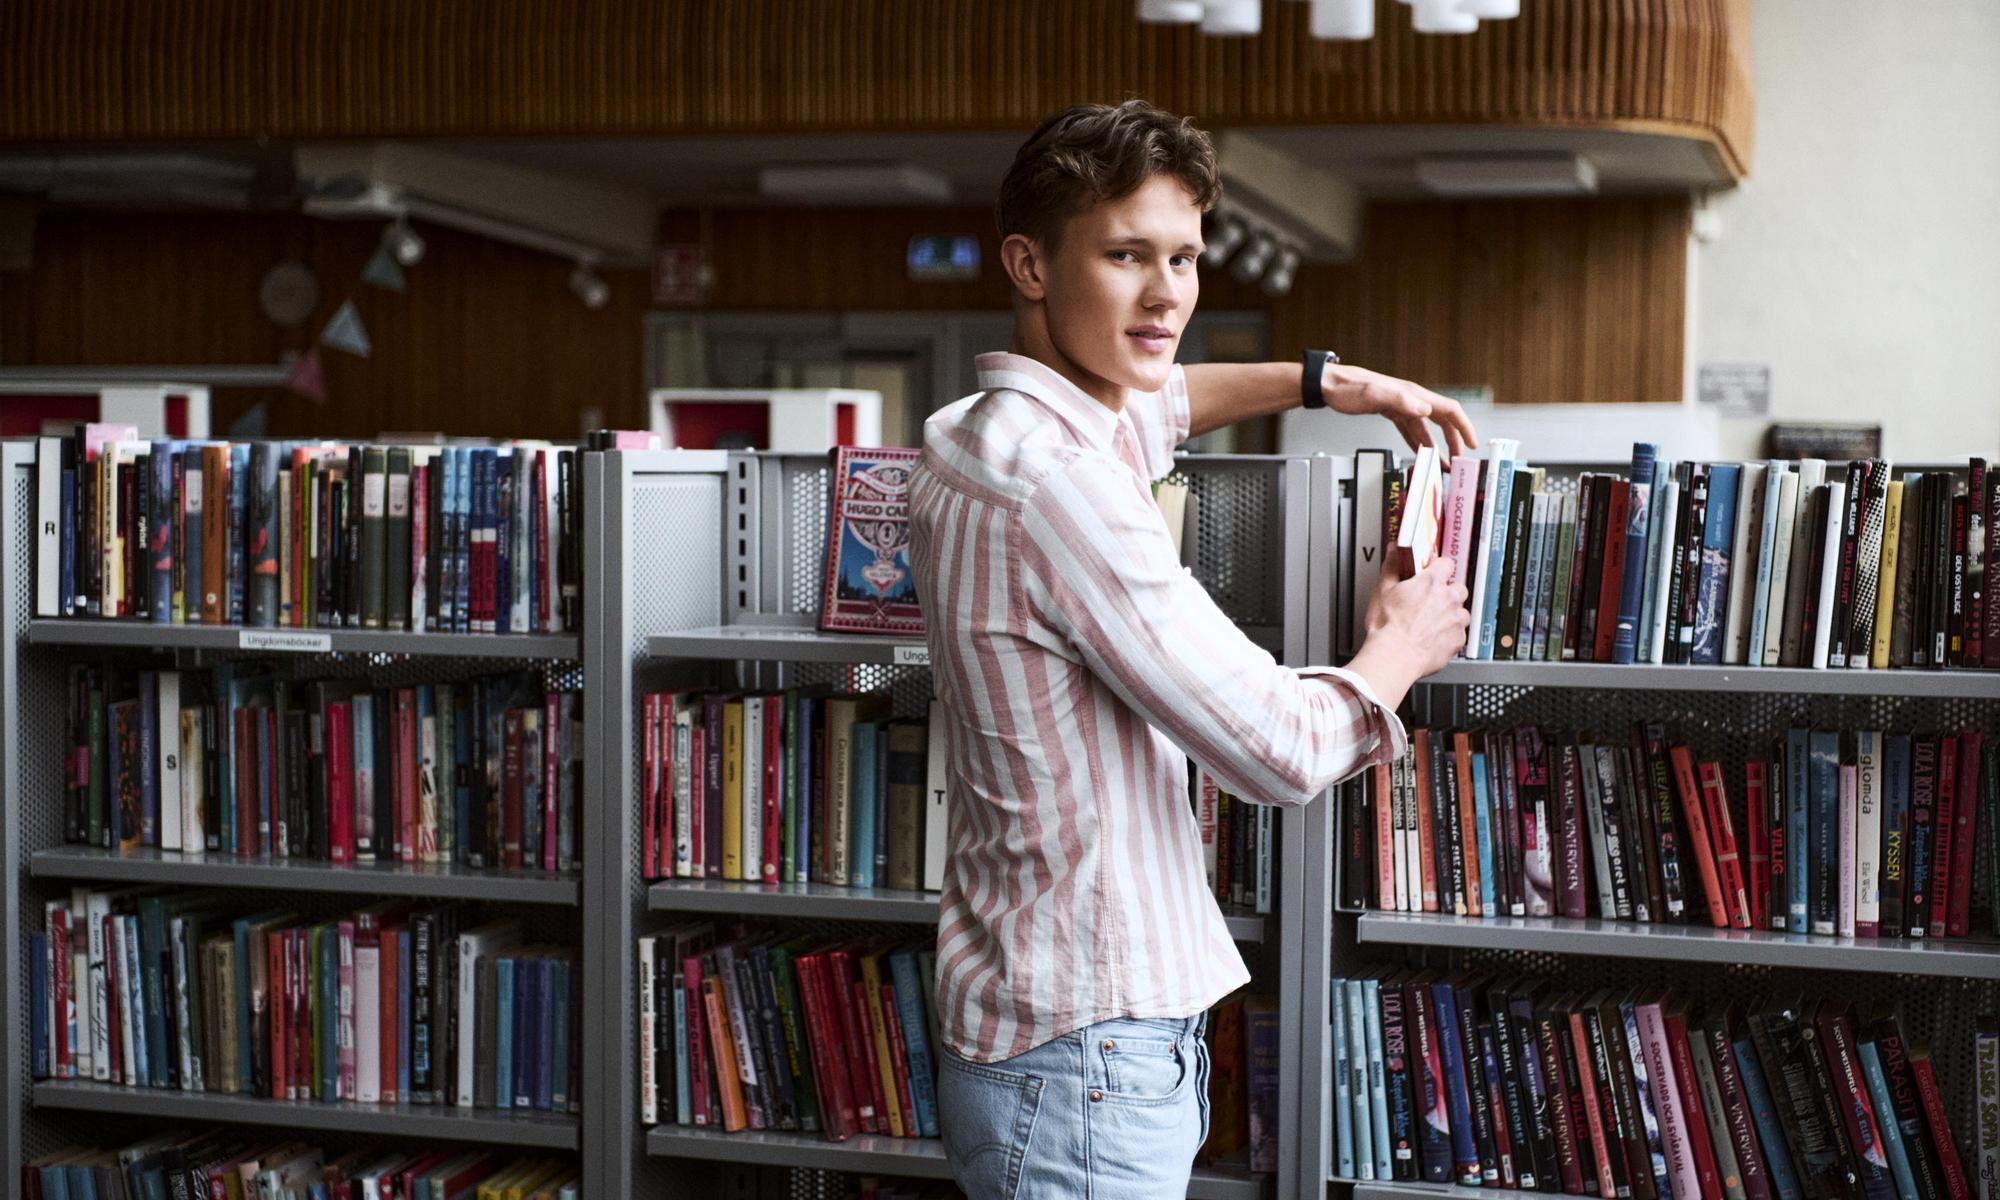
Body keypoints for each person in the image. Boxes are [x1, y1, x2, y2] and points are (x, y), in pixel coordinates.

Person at [906, 100, 1477, 1199]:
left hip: (1034, 1017)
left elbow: (1155, 400)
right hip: (1086, 1048)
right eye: (1125, 256)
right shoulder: (1065, 490)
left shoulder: (970, 434)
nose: (1166, 292)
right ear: (1028, 264)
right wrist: (1393, 652)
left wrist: (1328, 383)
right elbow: (1272, 751)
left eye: (1183, 256)